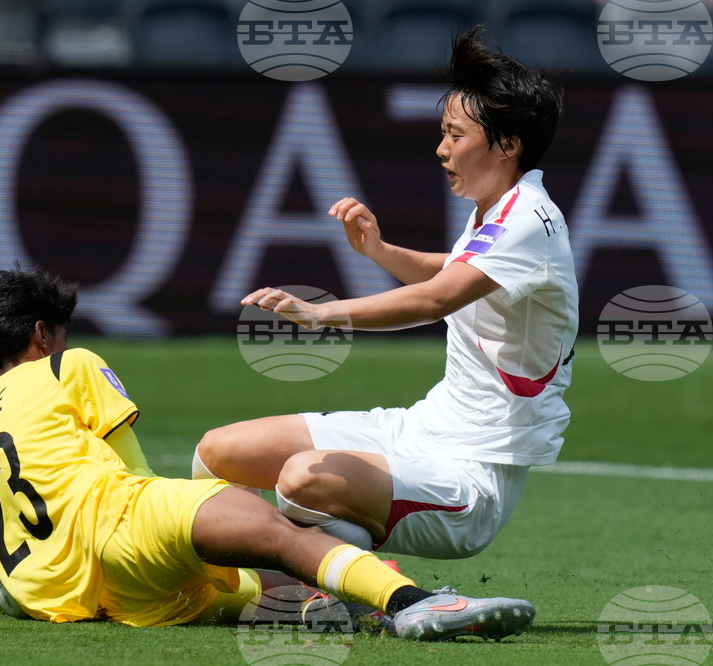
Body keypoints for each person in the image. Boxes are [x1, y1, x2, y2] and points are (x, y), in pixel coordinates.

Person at [0, 267, 536, 642]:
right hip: (122, 537)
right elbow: (134, 477)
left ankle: (321, 602)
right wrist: (199, 528)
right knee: (280, 536)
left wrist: (1, 611)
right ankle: (411, 602)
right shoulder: (66, 365)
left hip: (75, 600)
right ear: (43, 334)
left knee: (252, 588)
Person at [194, 28, 577, 564]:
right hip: (418, 427)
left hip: (467, 478)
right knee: (219, 452)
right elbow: (450, 272)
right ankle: (263, 592)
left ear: (508, 144)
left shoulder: (528, 219)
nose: (441, 148)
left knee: (303, 480)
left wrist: (321, 314)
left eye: (455, 135)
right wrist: (378, 249)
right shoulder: (497, 209)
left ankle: (364, 587)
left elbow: (433, 300)